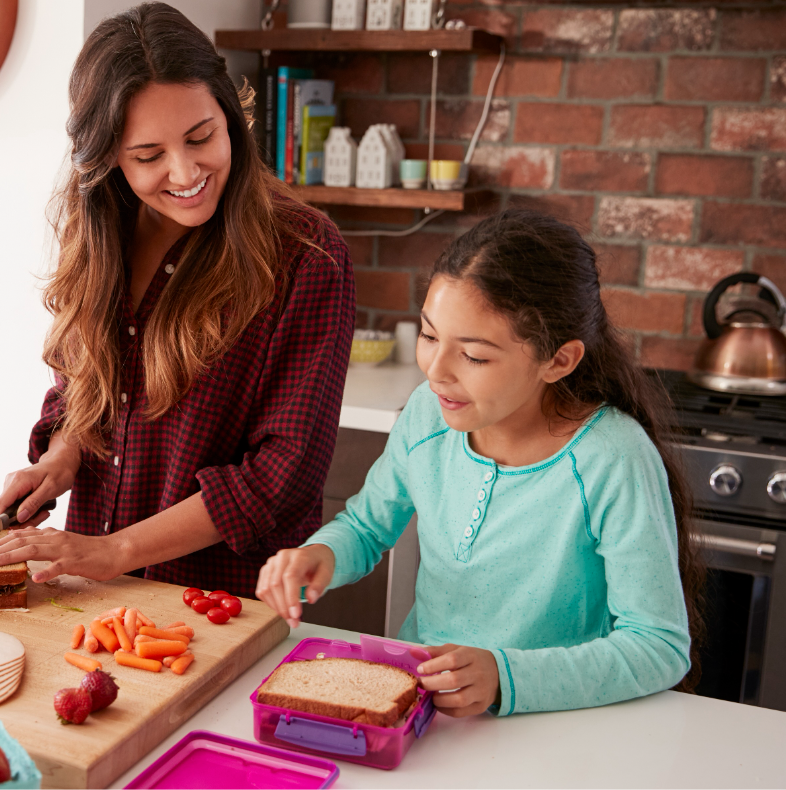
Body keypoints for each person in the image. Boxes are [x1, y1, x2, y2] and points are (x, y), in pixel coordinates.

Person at [256, 211, 704, 719]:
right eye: (428, 336)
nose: (436, 371)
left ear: (559, 360)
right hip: (426, 710)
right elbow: (365, 525)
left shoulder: (611, 459)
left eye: (473, 355)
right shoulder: (429, 413)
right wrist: (322, 555)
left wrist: (504, 678)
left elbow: (658, 646)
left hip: (559, 725)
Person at [0, 2, 355, 598]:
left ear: (229, 116)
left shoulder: (305, 253)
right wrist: (61, 457)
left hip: (221, 604)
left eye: (201, 136)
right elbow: (82, 386)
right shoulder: (100, 235)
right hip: (93, 595)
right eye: (148, 157)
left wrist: (116, 550)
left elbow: (283, 473)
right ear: (107, 159)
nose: (185, 172)